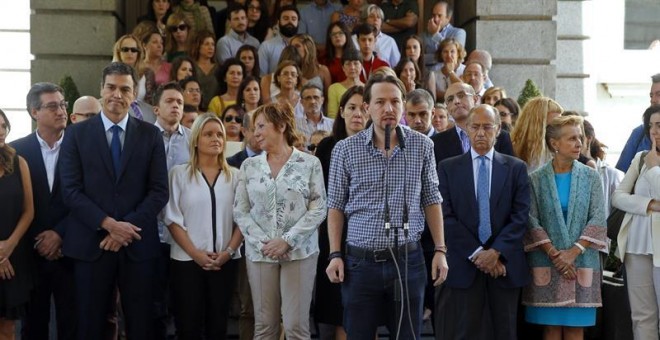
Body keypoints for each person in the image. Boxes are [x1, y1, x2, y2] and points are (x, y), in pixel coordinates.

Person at [325, 73, 449, 339]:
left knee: (407, 335)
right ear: (367, 107)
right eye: (380, 102)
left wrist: (440, 249)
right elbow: (335, 205)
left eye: (395, 101)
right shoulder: (345, 150)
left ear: (403, 105)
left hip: (407, 261)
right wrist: (335, 254)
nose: (388, 108)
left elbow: (431, 198)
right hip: (360, 263)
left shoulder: (422, 146)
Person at [59, 62, 169, 339]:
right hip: (90, 244)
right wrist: (107, 224)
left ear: (134, 95)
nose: (117, 95)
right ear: (101, 90)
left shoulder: (151, 135)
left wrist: (124, 229)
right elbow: (71, 190)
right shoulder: (75, 134)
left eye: (124, 89)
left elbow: (158, 191)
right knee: (90, 326)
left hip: (137, 245)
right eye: (111, 87)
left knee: (141, 325)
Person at [436, 104, 531, 339]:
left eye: (487, 127)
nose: (480, 133)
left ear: (498, 130)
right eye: (475, 127)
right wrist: (480, 253)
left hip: (504, 267)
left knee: (505, 332)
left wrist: (496, 252)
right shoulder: (448, 168)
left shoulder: (516, 168)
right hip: (464, 264)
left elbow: (521, 216)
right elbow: (444, 216)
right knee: (463, 332)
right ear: (466, 129)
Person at [234, 102, 327, 339]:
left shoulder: (310, 163)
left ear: (282, 125)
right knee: (265, 327)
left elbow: (319, 208)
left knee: (296, 326)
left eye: (262, 126)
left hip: (300, 254)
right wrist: (267, 243)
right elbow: (240, 211)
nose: (256, 133)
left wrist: (287, 240)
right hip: (260, 253)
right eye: (255, 127)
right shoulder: (249, 166)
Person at [523, 115, 607, 340]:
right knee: (550, 328)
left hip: (582, 262)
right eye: (571, 138)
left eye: (580, 137)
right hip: (546, 262)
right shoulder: (536, 179)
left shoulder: (591, 177)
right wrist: (556, 256)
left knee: (575, 329)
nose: (579, 143)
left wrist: (572, 252)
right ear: (554, 144)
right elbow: (531, 221)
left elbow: (598, 217)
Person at [163, 113, 242, 340]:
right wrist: (196, 254)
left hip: (224, 262)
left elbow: (243, 220)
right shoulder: (178, 175)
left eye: (220, 134)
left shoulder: (236, 177)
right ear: (196, 139)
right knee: (188, 327)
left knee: (218, 327)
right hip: (186, 262)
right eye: (208, 134)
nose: (215, 139)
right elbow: (172, 219)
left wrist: (228, 252)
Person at [11, 83, 71, 340]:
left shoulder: (81, 148)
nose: (61, 111)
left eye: (63, 104)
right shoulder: (15, 151)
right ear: (34, 112)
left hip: (71, 252)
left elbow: (90, 197)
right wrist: (40, 239)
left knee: (72, 325)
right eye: (52, 106)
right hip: (30, 255)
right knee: (33, 327)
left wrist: (59, 234)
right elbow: (13, 204)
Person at [611, 105, 660, 339]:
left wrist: (654, 169)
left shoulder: (649, 163)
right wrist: (649, 205)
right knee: (641, 316)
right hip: (636, 246)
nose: (654, 131)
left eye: (659, 125)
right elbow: (618, 196)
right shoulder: (641, 158)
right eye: (650, 126)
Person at [0, 109, 35, 340]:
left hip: (12, 257)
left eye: (3, 125)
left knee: (7, 328)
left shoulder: (18, 161)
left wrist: (8, 247)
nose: (1, 131)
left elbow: (29, 211)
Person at [431, 82, 513, 166]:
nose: (456, 101)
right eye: (450, 99)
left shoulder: (500, 136)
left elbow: (509, 171)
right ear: (447, 108)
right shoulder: (436, 143)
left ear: (475, 99)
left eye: (461, 95)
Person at [616, 73, 660, 172]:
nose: (653, 100)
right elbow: (621, 173)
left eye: (659, 94)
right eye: (651, 95)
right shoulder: (639, 133)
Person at [510, 96, 564, 172]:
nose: (557, 130)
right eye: (552, 126)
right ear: (537, 124)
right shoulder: (513, 149)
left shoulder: (557, 150)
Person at [582, 119, 623, 215]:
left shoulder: (611, 174)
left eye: (578, 137)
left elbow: (619, 213)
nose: (576, 143)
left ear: (588, 139)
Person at [112, 34, 157, 106]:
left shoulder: (147, 73)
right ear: (118, 52)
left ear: (138, 53)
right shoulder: (110, 74)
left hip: (142, 115)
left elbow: (151, 102)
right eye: (125, 49)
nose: (129, 53)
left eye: (133, 50)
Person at [258, 5, 301, 75]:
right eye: (286, 18)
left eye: (293, 19)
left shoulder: (304, 47)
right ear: (278, 22)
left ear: (298, 23)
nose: (290, 21)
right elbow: (262, 77)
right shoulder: (266, 47)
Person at [423, 1, 466, 67]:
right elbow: (419, 58)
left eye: (439, 16)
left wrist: (435, 35)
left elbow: (457, 55)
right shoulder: (424, 35)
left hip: (450, 74)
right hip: (428, 74)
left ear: (448, 18)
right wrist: (442, 56)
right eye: (433, 15)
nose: (435, 19)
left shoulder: (459, 32)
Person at [327, 49, 363, 119]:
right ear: (343, 68)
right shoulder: (334, 88)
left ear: (361, 67)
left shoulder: (369, 88)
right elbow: (332, 116)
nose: (352, 67)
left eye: (356, 63)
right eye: (348, 64)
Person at [188, 30, 219, 109]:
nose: (210, 47)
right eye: (206, 44)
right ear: (198, 46)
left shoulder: (219, 68)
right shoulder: (191, 67)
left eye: (212, 44)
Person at [403, 35, 436, 101]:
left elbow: (433, 101)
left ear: (421, 50)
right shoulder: (397, 71)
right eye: (408, 48)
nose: (412, 50)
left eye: (415, 47)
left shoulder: (428, 74)